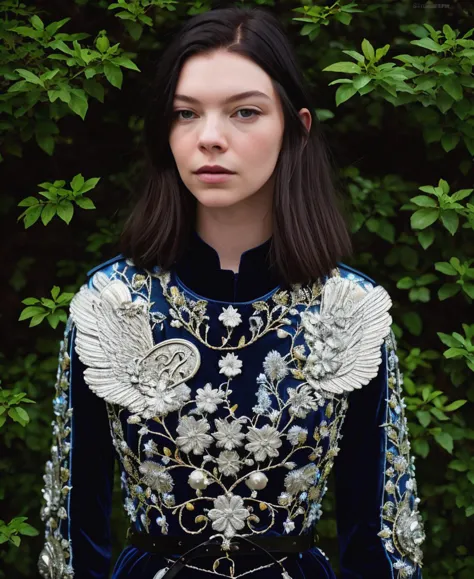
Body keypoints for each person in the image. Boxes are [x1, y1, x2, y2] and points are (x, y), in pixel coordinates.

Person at [37, 6, 425, 579]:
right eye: (185, 114)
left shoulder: (350, 310)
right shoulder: (111, 302)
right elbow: (73, 529)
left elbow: (382, 536)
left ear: (297, 126)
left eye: (245, 112)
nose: (210, 138)